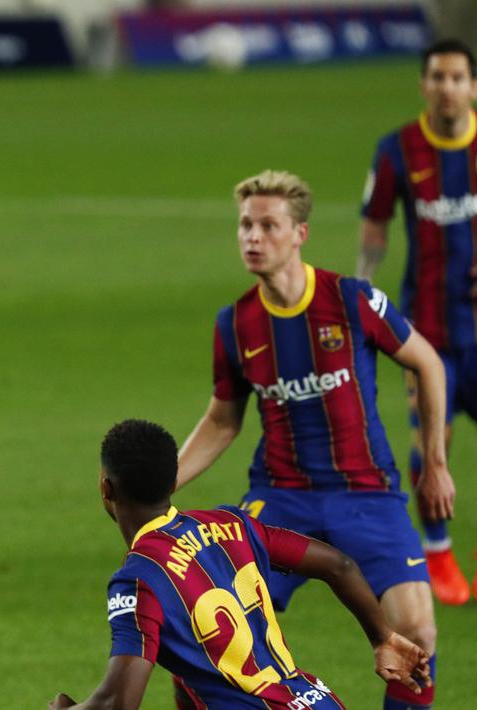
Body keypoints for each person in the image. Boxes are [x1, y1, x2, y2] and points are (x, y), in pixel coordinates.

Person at [178, 170, 452, 709]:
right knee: (203, 636)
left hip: (368, 495)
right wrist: (162, 482)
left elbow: (427, 362)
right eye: (245, 226)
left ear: (300, 233)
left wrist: (436, 463)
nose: (253, 237)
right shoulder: (235, 324)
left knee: (417, 633)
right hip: (280, 498)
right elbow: (222, 420)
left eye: (268, 226)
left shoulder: (351, 301)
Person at [49, 419, 432, 709]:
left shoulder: (139, 578)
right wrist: (382, 636)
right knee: (188, 681)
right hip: (317, 701)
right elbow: (340, 565)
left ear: (106, 488)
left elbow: (120, 701)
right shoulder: (231, 524)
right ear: (171, 482)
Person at [357, 37, 477, 606]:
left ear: (472, 86)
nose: (447, 87)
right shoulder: (398, 150)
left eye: (457, 77)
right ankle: (439, 550)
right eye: (437, 77)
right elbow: (375, 226)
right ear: (424, 85)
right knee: (433, 440)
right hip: (425, 330)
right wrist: (361, 290)